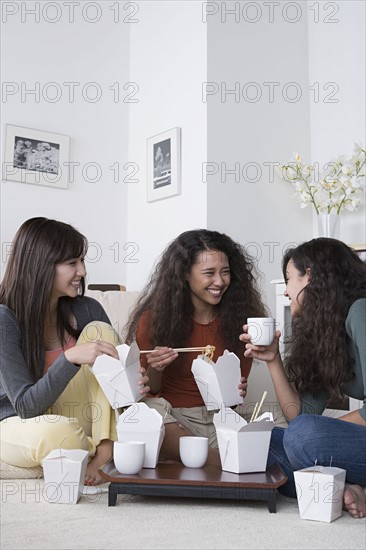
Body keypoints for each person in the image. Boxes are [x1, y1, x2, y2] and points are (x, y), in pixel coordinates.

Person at [0, 217, 148, 485]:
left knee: (99, 333)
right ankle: (102, 446)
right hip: (20, 422)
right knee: (58, 432)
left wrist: (133, 380)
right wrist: (69, 358)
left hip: (84, 420)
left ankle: (103, 450)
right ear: (40, 266)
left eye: (82, 261)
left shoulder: (87, 309)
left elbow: (115, 393)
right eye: (72, 263)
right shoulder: (4, 320)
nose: (81, 271)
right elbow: (25, 407)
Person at [240, 238, 366, 518]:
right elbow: (299, 415)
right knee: (264, 441)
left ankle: (347, 484)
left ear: (309, 275)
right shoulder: (324, 332)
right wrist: (273, 359)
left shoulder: (361, 311)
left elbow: (304, 429)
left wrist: (315, 430)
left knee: (303, 437)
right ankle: (350, 484)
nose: (285, 291)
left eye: (288, 279)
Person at [125, 229, 267, 465]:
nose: (220, 282)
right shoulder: (154, 320)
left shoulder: (243, 321)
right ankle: (215, 460)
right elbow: (150, 390)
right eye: (209, 273)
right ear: (184, 275)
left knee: (268, 430)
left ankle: (191, 458)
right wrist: (156, 368)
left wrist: (236, 389)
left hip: (219, 419)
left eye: (225, 272)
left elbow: (233, 396)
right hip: (174, 418)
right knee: (143, 412)